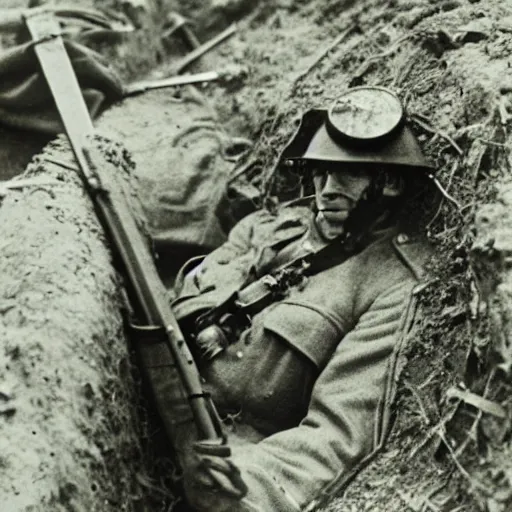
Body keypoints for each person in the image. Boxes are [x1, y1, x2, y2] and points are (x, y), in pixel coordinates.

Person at [163, 86, 436, 512]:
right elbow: (179, 299)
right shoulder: (269, 228)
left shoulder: (391, 286)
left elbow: (336, 435)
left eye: (347, 174)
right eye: (320, 172)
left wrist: (245, 485)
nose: (325, 189)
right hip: (160, 402)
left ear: (391, 184)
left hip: (224, 456)